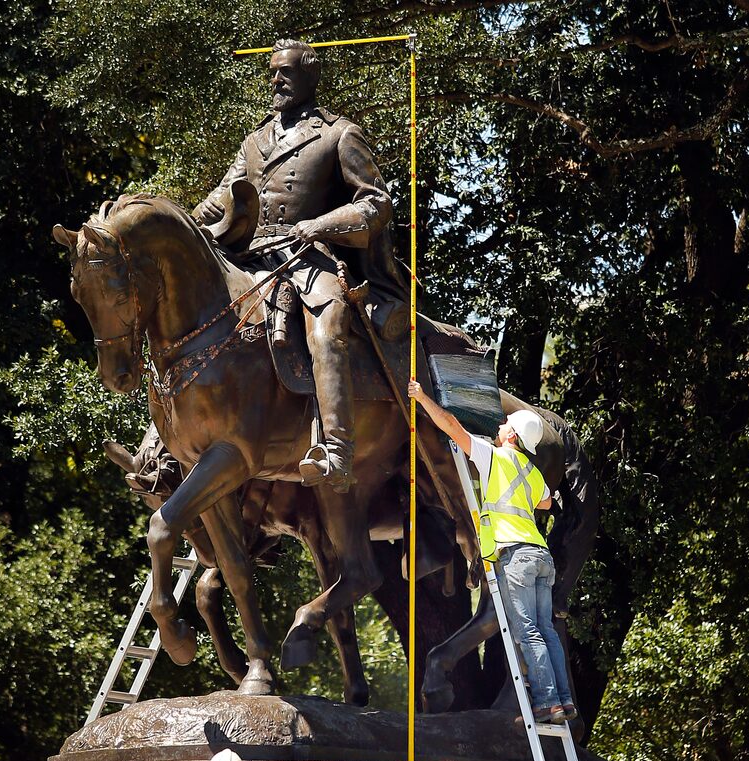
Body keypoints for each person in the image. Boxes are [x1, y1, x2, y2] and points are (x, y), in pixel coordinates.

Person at [195, 39, 405, 494]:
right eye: (272, 72)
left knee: (327, 333)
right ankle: (170, 446)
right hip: (250, 258)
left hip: (309, 258)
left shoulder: (338, 133)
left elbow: (377, 202)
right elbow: (221, 198)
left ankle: (336, 450)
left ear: (310, 77)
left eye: (285, 72)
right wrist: (182, 225)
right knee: (195, 324)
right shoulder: (256, 140)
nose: (275, 80)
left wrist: (321, 224)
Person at [407, 379, 575, 723]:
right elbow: (545, 502)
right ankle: (565, 699)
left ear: (512, 436)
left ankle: (548, 702)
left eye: (505, 426)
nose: (499, 427)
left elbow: (451, 427)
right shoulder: (533, 472)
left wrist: (421, 397)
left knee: (527, 632)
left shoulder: (494, 458)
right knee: (546, 631)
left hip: (515, 557)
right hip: (541, 557)